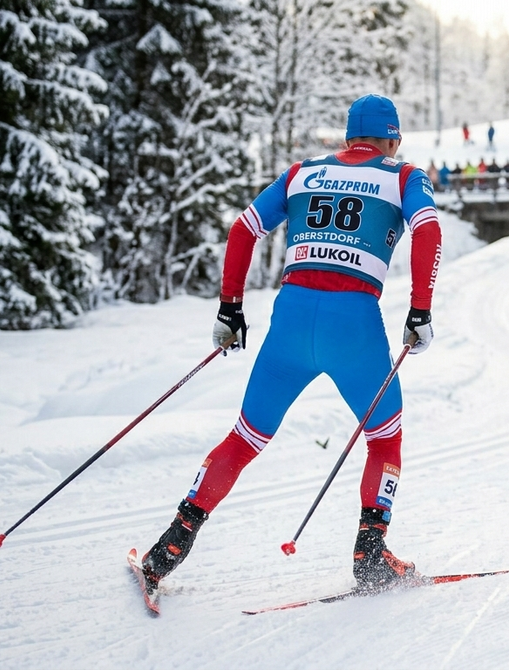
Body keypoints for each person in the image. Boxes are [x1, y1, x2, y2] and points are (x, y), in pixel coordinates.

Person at [137, 94, 443, 596]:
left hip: (292, 322)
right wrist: (421, 309)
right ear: (392, 138)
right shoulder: (404, 175)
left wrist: (230, 308)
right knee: (384, 437)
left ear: (348, 137)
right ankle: (371, 553)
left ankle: (172, 543)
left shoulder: (303, 170)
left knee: (245, 438)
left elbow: (244, 228)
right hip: (354, 326)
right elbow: (428, 229)